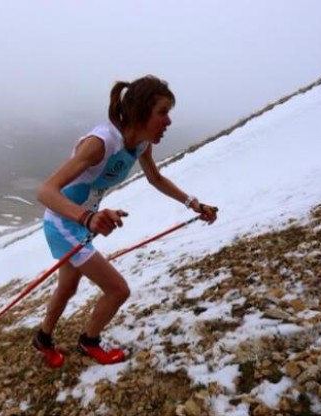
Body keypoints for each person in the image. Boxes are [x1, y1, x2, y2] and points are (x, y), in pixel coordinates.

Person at [34, 75, 218, 367]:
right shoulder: (102, 142)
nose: (168, 122)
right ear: (141, 112)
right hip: (63, 221)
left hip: (84, 221)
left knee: (68, 287)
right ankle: (89, 341)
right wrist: (88, 216)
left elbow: (155, 178)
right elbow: (45, 191)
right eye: (163, 113)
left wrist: (193, 204)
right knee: (118, 289)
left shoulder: (141, 144)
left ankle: (43, 338)